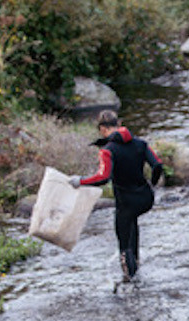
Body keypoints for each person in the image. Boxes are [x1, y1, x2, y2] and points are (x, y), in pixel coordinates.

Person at [68, 110, 163, 282]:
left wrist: (80, 181)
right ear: (118, 124)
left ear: (103, 129)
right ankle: (137, 267)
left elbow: (103, 177)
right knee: (132, 223)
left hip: (126, 202)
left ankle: (131, 283)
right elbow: (157, 165)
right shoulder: (141, 143)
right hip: (145, 198)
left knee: (124, 244)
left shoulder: (108, 150)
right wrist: (153, 184)